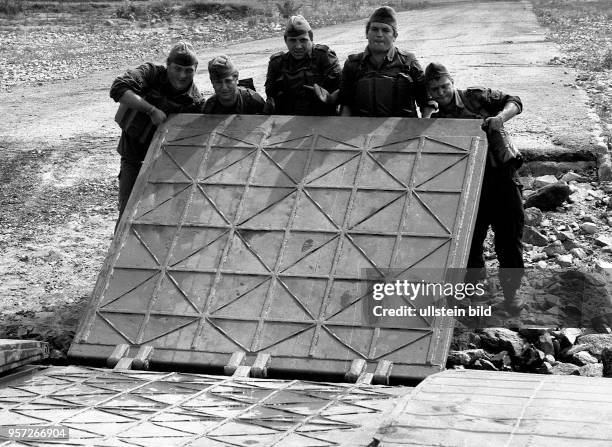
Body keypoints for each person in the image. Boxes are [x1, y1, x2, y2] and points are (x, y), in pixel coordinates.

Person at [425, 62, 525, 312]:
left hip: (501, 177)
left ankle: (512, 294)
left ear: (452, 82)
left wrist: (500, 118)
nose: (441, 92)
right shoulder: (435, 119)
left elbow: (515, 101)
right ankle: (476, 292)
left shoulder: (476, 97)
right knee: (469, 241)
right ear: (429, 91)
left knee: (509, 238)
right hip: (469, 184)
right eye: (434, 89)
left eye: (444, 86)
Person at [110, 42, 206, 220]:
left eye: (188, 70)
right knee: (127, 214)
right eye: (177, 69)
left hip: (165, 164)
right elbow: (118, 88)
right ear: (167, 64)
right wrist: (150, 110)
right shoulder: (150, 74)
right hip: (134, 158)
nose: (182, 75)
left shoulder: (195, 102)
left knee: (161, 216)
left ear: (196, 69)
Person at [339, 6, 435, 117]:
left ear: (395, 36)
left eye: (385, 30)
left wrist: (422, 130)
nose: (379, 34)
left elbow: (427, 103)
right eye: (374, 29)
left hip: (401, 131)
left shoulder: (409, 62)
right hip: (362, 130)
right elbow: (345, 105)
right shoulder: (353, 64)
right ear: (366, 33)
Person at [265, 15, 341, 115]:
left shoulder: (325, 57)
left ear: (311, 38)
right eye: (292, 40)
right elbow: (271, 95)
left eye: (303, 40)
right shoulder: (277, 63)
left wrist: (330, 98)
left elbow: (343, 90)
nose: (298, 46)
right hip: (287, 121)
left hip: (322, 119)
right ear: (286, 41)